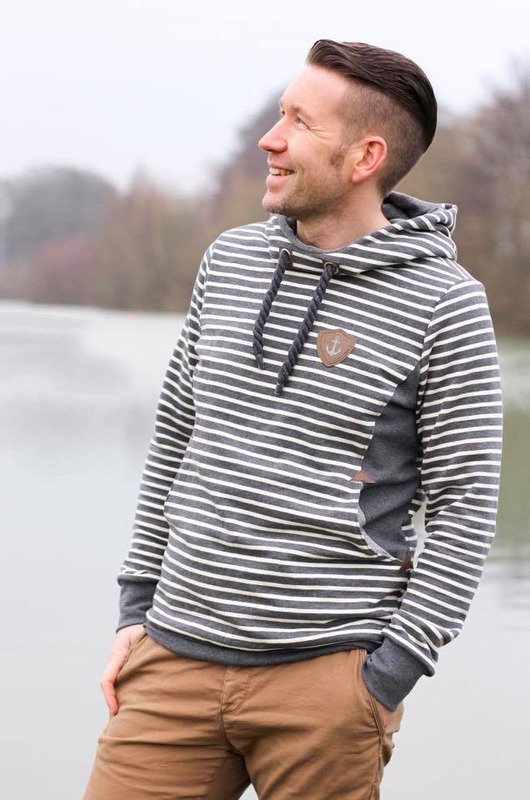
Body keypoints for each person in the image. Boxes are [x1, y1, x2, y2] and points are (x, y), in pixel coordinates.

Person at [82, 39, 503, 800]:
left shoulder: (447, 304)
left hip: (327, 686)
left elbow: (465, 506)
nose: (269, 140)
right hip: (171, 659)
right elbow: (174, 438)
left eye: (299, 123)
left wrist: (385, 675)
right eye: (280, 114)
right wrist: (134, 611)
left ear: (365, 156)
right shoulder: (229, 261)